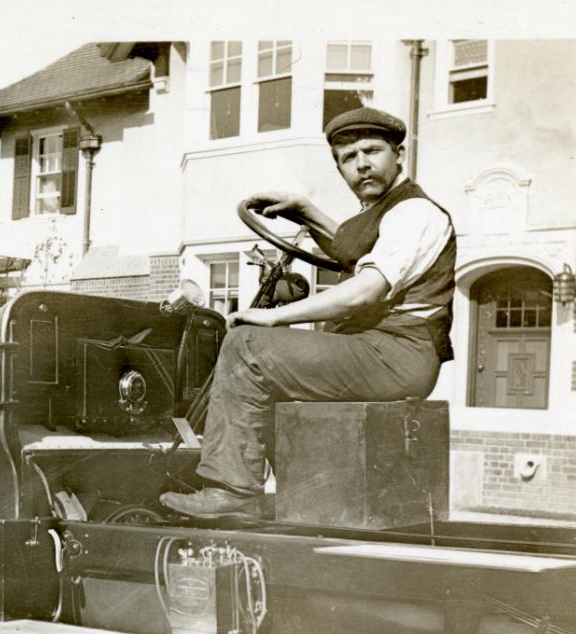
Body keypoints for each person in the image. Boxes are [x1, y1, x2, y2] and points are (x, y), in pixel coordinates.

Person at [161, 106, 457, 521]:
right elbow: (348, 248)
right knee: (271, 365)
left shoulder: (415, 213)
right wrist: (304, 208)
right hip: (379, 352)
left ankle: (233, 490)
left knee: (247, 346)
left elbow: (365, 291)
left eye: (372, 151)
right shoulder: (383, 214)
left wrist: (275, 317)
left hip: (396, 355)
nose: (362, 164)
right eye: (348, 159)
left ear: (399, 155)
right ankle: (301, 493)